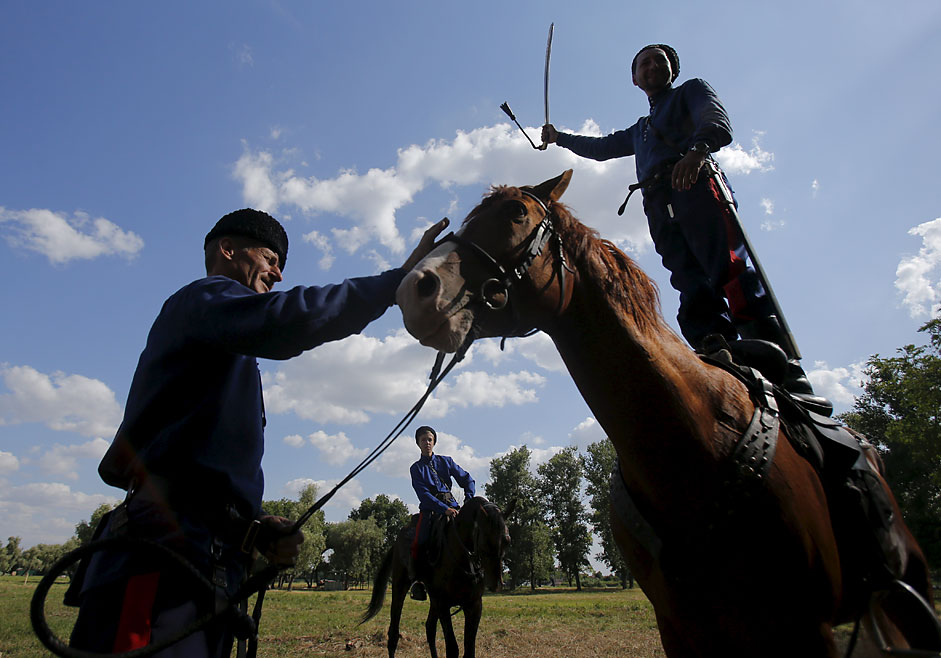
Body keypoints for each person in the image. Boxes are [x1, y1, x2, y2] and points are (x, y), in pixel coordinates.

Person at [67, 208, 449, 656]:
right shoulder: (203, 299)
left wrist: (255, 527)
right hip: (160, 564)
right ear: (228, 250)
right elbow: (291, 318)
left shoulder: (224, 343)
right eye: (270, 257)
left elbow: (203, 462)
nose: (279, 273)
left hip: (200, 564)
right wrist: (397, 281)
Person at [542, 44, 824, 403]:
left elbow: (716, 122)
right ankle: (718, 352)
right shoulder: (640, 128)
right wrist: (559, 138)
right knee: (688, 281)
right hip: (658, 202)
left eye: (660, 60)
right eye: (644, 63)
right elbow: (602, 147)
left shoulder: (692, 90)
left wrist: (696, 152)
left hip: (695, 187)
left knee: (730, 269)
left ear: (672, 70)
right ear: (634, 79)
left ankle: (783, 369)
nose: (652, 66)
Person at [407, 425, 475, 600]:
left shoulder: (446, 461)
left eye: (429, 439)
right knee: (420, 541)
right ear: (418, 443)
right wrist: (444, 510)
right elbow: (424, 494)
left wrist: (468, 500)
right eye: (423, 440)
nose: (427, 443)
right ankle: (418, 581)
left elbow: (467, 479)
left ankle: (477, 573)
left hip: (453, 506)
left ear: (434, 442)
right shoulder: (416, 468)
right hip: (431, 510)